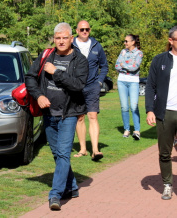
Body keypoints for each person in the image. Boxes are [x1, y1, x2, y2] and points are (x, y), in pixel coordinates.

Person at [25, 22, 89, 210]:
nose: (61, 41)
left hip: (68, 114)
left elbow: (78, 85)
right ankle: (73, 187)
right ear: (54, 39)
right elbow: (29, 77)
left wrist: (56, 73)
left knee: (63, 153)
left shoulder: (80, 60)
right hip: (48, 113)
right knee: (57, 153)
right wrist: (39, 95)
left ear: (71, 39)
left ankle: (55, 195)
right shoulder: (46, 56)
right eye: (58, 38)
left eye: (64, 38)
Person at [146, 26, 177, 200]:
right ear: (171, 41)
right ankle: (167, 185)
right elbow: (150, 86)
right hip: (165, 112)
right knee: (165, 152)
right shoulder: (159, 60)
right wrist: (150, 109)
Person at [72, 20, 108, 161]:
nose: (85, 31)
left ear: (90, 30)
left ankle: (95, 150)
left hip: (92, 86)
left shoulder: (96, 46)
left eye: (87, 29)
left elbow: (104, 66)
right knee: (80, 117)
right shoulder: (71, 45)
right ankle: (82, 149)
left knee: (93, 116)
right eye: (82, 29)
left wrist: (99, 82)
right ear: (77, 31)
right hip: (76, 87)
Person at [115, 34, 143, 140]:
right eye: (124, 41)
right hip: (121, 81)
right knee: (124, 107)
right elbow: (117, 65)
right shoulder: (123, 52)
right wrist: (126, 67)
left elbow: (135, 67)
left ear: (133, 42)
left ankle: (137, 130)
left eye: (126, 41)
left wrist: (123, 65)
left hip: (133, 82)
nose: (125, 43)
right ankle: (126, 129)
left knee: (134, 106)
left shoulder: (139, 53)